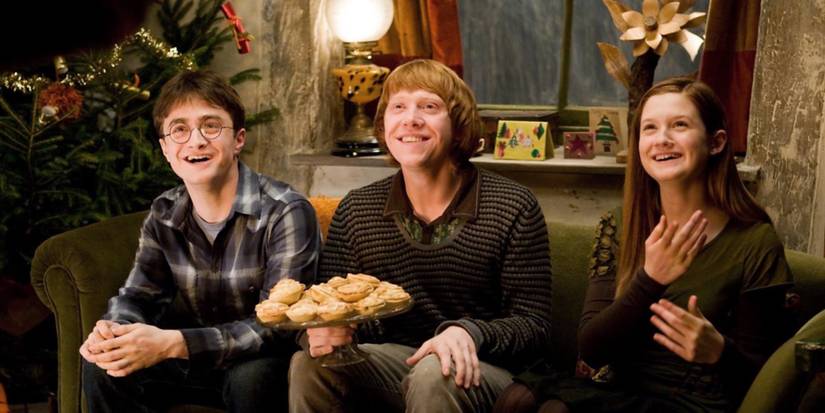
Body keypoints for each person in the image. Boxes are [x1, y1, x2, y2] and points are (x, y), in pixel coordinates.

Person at [494, 77, 794, 413]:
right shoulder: (622, 224)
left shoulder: (755, 242)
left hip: (694, 405)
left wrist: (719, 351)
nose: (662, 139)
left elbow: (772, 382)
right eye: (649, 129)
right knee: (519, 399)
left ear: (716, 142)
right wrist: (650, 278)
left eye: (679, 125)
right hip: (622, 392)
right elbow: (592, 349)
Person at [288, 59, 553, 413]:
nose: (410, 119)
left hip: (483, 368)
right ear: (384, 125)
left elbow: (534, 327)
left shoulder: (512, 206)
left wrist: (469, 333)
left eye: (429, 107)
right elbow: (328, 307)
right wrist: (318, 334)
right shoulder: (357, 210)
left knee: (434, 371)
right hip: (394, 363)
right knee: (309, 365)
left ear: (458, 126)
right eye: (398, 107)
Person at [79, 70, 320, 412]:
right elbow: (138, 295)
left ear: (238, 139)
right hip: (193, 362)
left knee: (251, 379)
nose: (195, 141)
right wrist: (114, 332)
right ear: (165, 149)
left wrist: (175, 343)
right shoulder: (165, 212)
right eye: (179, 129)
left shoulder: (286, 211)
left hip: (262, 360)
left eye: (210, 125)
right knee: (106, 365)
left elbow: (278, 325)